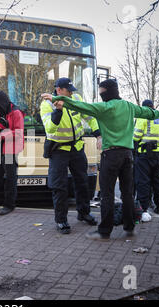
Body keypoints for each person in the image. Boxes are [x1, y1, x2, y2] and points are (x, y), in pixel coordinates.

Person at [42, 79, 159, 240]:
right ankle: (129, 227)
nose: (100, 95)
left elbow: (82, 107)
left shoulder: (104, 107)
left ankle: (104, 230)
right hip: (127, 155)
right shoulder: (129, 106)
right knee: (127, 193)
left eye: (101, 91)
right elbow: (147, 112)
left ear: (106, 92)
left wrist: (61, 100)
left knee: (106, 194)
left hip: (109, 155)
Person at [38, 78, 99, 234]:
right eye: (68, 90)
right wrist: (57, 110)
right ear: (59, 90)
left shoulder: (75, 99)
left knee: (82, 182)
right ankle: (61, 220)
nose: (72, 93)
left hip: (77, 148)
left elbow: (90, 116)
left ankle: (84, 213)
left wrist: (98, 134)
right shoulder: (46, 105)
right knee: (59, 186)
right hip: (59, 151)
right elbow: (50, 129)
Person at [133, 99, 159, 215]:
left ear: (144, 108)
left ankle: (143, 209)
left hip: (144, 155)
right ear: (153, 106)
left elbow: (136, 136)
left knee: (143, 181)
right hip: (158, 155)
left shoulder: (143, 117)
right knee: (157, 181)